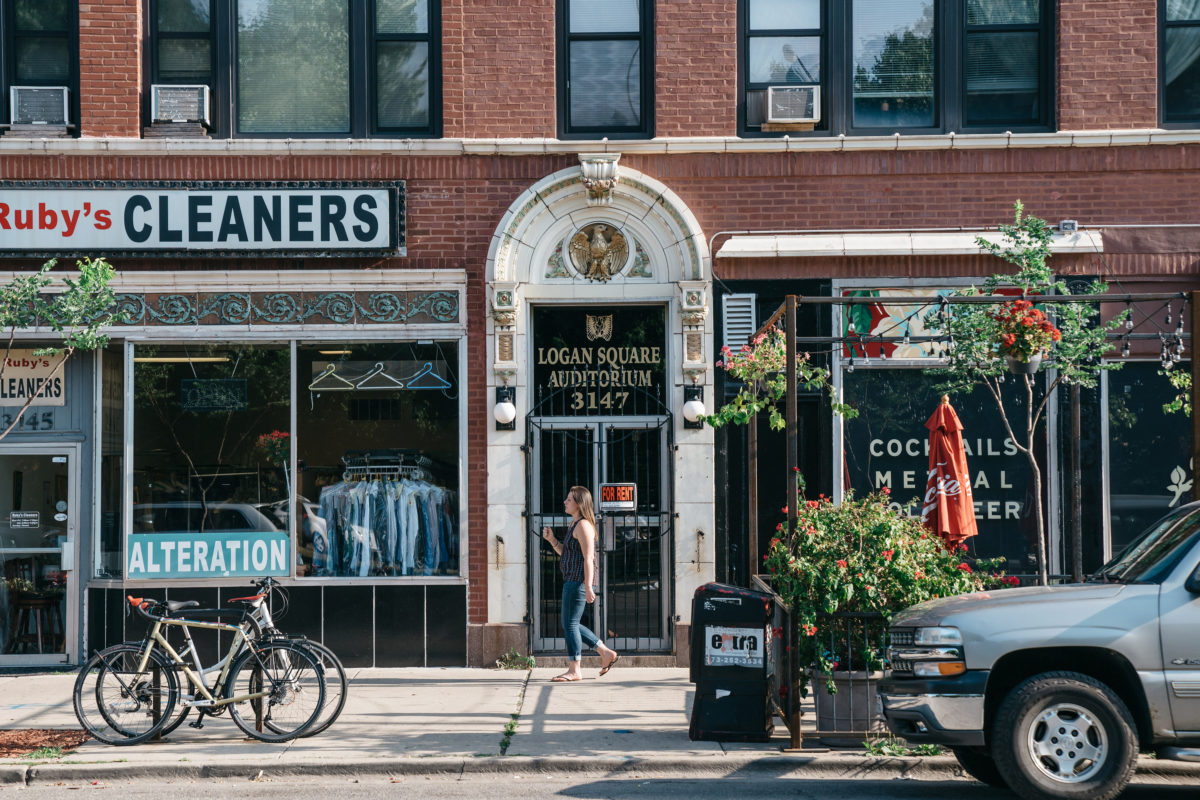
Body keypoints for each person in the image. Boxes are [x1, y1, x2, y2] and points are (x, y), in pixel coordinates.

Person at [541, 485, 620, 682]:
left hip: (578, 581)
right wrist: (552, 540)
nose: (565, 502)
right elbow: (565, 552)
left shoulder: (583, 526)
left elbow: (588, 558)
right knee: (571, 623)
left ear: (578, 503)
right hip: (572, 579)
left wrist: (587, 586)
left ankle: (575, 669)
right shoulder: (574, 525)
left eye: (569, 499)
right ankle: (605, 653)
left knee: (570, 624)